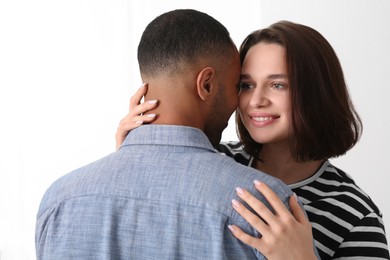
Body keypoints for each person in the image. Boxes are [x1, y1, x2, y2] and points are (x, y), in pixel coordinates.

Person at [35, 10, 317, 259]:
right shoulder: (265, 207)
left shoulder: (58, 199)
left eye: (278, 85)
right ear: (206, 84)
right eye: (239, 85)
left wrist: (130, 156)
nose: (249, 102)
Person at [116, 21, 389, 259]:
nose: (256, 101)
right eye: (246, 85)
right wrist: (132, 152)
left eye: (277, 85)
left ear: (317, 93)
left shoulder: (354, 214)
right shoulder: (210, 159)